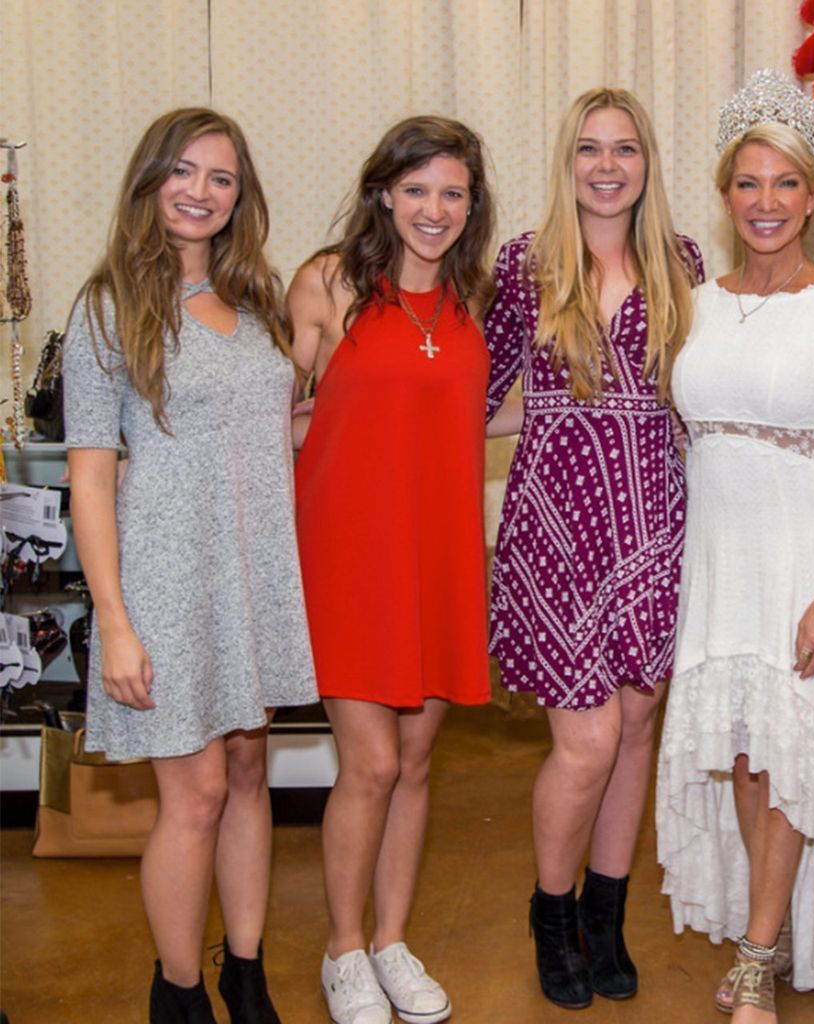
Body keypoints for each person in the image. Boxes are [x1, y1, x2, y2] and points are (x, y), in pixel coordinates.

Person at [64, 107, 317, 1024]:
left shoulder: (256, 300)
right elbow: (91, 477)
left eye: (221, 177)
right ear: (149, 181)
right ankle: (177, 995)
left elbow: (267, 432)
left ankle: (244, 972)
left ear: (239, 195)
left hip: (252, 572)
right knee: (199, 791)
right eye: (183, 170)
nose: (200, 191)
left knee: (250, 774)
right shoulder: (106, 307)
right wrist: (115, 620)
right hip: (166, 579)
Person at [655, 69, 814, 1022]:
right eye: (748, 184)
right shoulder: (699, 303)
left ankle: (758, 954)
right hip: (718, 559)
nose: (766, 203)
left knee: (790, 753)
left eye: (786, 183)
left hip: (803, 559)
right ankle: (772, 916)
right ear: (724, 195)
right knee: (750, 754)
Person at [482, 86, 701, 1010]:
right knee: (588, 740)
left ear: (647, 163)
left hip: (656, 519)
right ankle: (552, 910)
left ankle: (605, 921)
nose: (606, 166)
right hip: (560, 528)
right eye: (588, 149)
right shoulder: (526, 264)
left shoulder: (684, 263)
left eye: (624, 149)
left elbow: (701, 401)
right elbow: (476, 395)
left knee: (637, 727)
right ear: (567, 163)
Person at [289, 116, 509, 1024]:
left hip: (439, 550)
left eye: (451, 192)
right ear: (385, 192)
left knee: (417, 763)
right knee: (371, 765)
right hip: (347, 553)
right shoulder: (328, 284)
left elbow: (493, 414)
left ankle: (391, 939)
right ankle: (344, 949)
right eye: (416, 189)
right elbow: (283, 415)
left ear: (471, 205)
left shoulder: (475, 299)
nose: (433, 209)